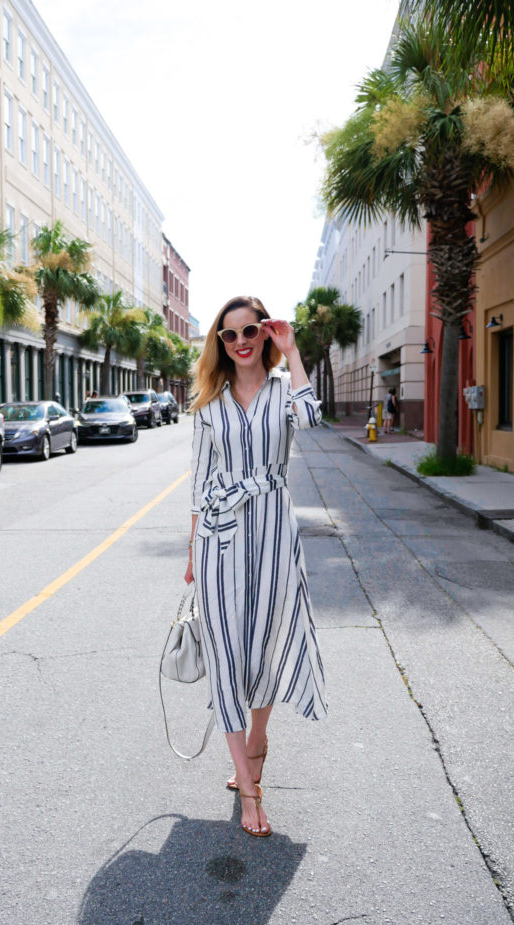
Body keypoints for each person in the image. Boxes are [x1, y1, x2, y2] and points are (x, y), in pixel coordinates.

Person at [185, 295, 327, 838]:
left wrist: (292, 353)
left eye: (250, 331)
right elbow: (198, 482)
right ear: (219, 343)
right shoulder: (209, 404)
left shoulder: (281, 389)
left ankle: (257, 743)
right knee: (226, 652)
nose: (241, 341)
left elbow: (312, 422)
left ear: (264, 334)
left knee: (266, 643)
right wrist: (193, 551)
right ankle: (248, 787)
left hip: (272, 530)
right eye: (230, 335)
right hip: (221, 537)